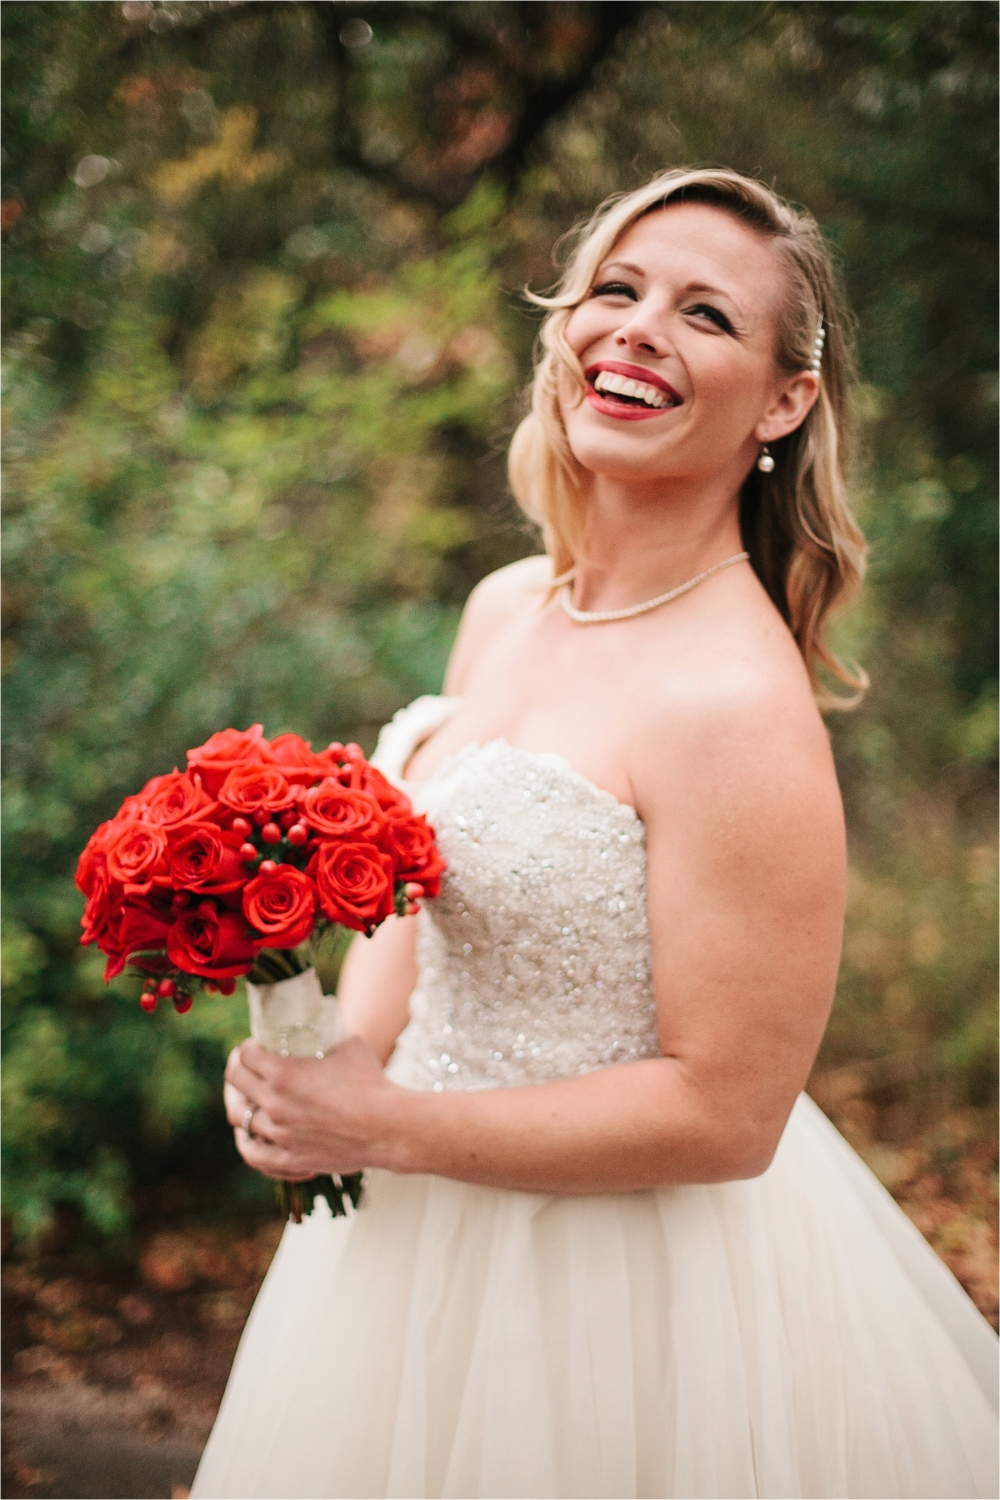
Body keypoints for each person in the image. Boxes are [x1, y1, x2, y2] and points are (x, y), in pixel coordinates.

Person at [191, 167, 998, 1500]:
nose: (636, 329)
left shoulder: (736, 703)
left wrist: (384, 1127)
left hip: (623, 1301)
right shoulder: (509, 604)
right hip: (399, 1257)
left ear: (786, 401)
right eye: (615, 291)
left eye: (704, 315)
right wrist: (313, 1071)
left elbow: (729, 1113)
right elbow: (422, 900)